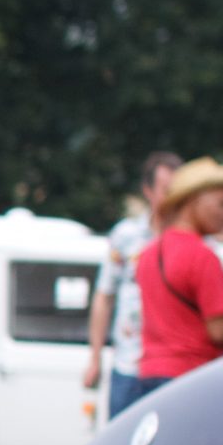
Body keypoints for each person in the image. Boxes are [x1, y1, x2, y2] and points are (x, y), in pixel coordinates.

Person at [134, 159, 223, 397]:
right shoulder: (203, 257)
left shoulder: (149, 252)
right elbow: (219, 332)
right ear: (194, 201)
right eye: (221, 204)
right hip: (191, 377)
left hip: (150, 373)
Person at [83, 152, 181, 420]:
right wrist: (95, 357)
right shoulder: (126, 236)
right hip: (128, 362)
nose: (173, 198)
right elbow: (104, 297)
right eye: (166, 190)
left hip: (169, 366)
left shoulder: (188, 240)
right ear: (148, 191)